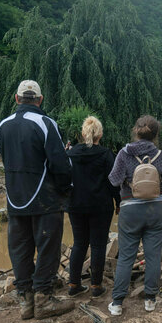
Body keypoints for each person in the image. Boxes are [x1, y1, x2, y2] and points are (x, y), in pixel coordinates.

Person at [0, 80, 75, 320]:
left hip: (15, 200)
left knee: (20, 249)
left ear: (17, 99)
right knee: (47, 249)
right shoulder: (45, 123)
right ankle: (44, 300)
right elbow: (60, 164)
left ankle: (25, 302)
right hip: (45, 200)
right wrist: (65, 190)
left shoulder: (3, 125)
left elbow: (5, 158)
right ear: (40, 100)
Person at [107, 115, 162, 316]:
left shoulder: (124, 153)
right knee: (153, 256)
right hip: (155, 210)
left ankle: (117, 303)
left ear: (135, 131)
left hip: (130, 210)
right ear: (156, 134)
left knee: (126, 257)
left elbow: (114, 180)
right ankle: (150, 300)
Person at [65, 116, 118, 299]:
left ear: (82, 133)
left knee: (79, 243)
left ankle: (74, 284)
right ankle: (96, 286)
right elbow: (113, 182)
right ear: (100, 134)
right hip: (100, 206)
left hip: (75, 205)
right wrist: (118, 202)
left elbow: (63, 178)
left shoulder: (70, 154)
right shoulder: (105, 154)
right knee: (98, 245)